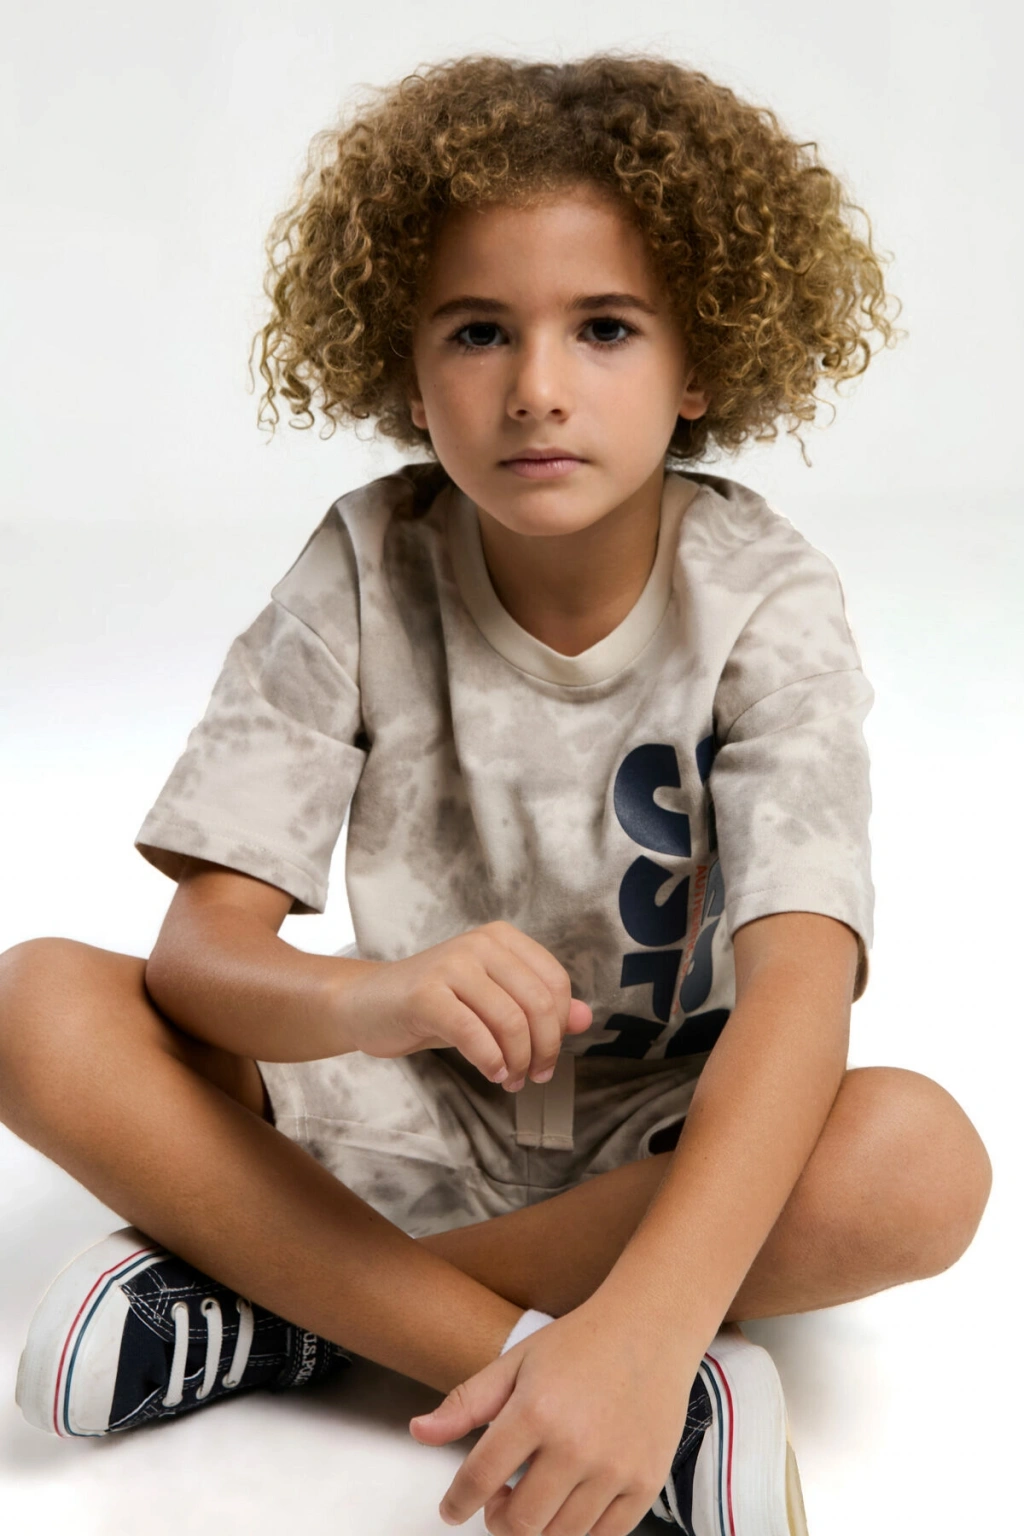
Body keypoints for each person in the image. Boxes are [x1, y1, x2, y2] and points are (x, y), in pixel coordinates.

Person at [0, 50, 992, 1536]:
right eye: (478, 331)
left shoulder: (766, 597)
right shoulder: (362, 564)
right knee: (36, 1004)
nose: (537, 389)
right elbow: (200, 959)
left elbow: (802, 994)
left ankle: (280, 1315)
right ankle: (573, 1384)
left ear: (699, 364)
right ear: (408, 372)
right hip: (392, 1111)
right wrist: (377, 998)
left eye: (605, 328)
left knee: (919, 1163)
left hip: (659, 1140)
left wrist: (654, 1315)